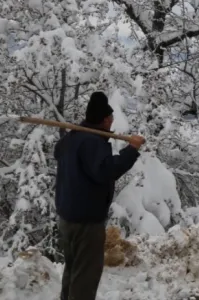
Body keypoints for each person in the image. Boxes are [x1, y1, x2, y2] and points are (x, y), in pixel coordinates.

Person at [54, 91, 146, 300]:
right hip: (86, 222)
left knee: (73, 270)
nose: (113, 122)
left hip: (67, 218)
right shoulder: (92, 142)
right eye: (111, 118)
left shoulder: (73, 137)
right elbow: (105, 171)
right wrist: (131, 150)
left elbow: (57, 151)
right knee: (85, 276)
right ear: (105, 119)